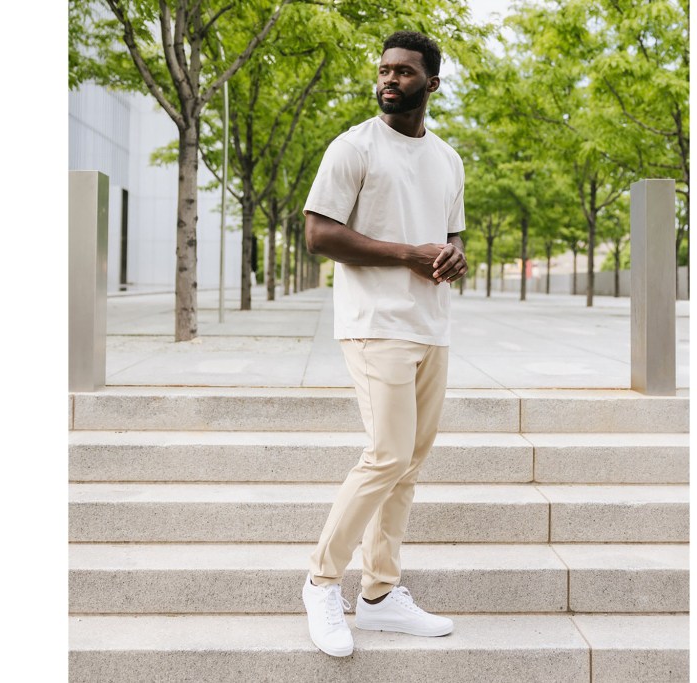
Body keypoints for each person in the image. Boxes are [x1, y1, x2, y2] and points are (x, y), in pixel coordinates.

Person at [299, 30, 468, 658]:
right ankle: (321, 582)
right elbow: (319, 235)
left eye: (403, 71)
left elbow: (448, 239)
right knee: (386, 455)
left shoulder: (448, 159)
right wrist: (408, 254)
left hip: (431, 326)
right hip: (375, 324)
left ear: (432, 83)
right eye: (384, 70)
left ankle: (379, 593)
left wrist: (451, 256)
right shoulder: (353, 148)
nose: (389, 79)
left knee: (408, 465)